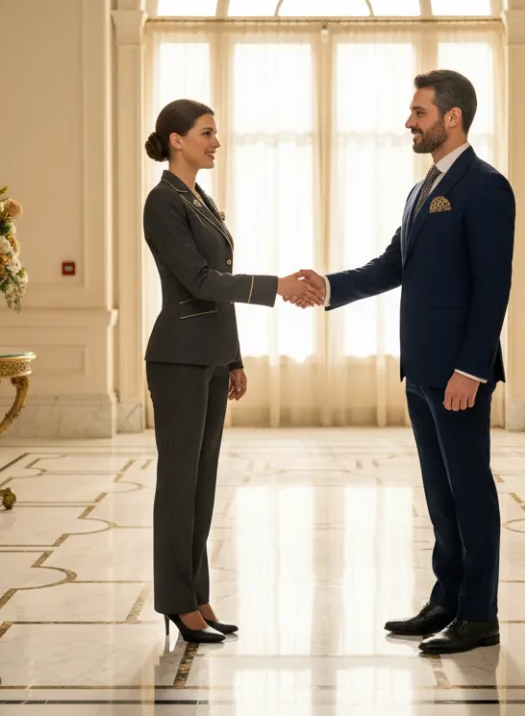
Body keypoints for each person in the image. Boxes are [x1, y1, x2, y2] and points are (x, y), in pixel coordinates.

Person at [299, 71, 514, 654]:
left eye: (418, 112)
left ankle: (479, 614)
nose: (408, 122)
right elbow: (393, 264)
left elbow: (493, 286)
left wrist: (472, 370)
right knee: (439, 492)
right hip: (420, 369)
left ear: (452, 118)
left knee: (470, 490)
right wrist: (327, 286)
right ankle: (446, 599)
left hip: (458, 374)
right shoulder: (421, 190)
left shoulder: (486, 186)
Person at [142, 98, 323, 644]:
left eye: (215, 133)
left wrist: (234, 358)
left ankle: (196, 595)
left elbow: (217, 284)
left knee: (202, 483)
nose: (215, 141)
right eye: (206, 133)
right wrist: (276, 287)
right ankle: (176, 602)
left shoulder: (200, 198)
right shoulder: (162, 202)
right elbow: (199, 280)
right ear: (177, 140)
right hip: (176, 357)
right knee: (178, 485)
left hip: (211, 356)